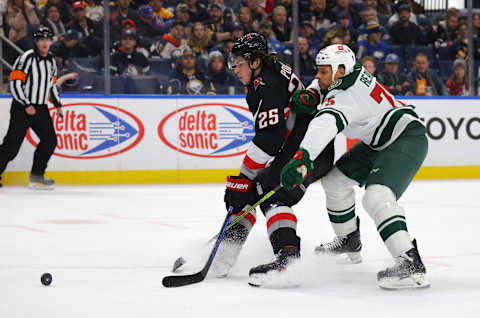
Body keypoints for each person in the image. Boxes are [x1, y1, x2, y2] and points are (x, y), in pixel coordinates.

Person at [280, 44, 430, 290]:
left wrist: (302, 158)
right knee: (334, 182)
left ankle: (410, 263)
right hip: (378, 140)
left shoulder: (347, 97)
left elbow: (325, 124)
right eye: (318, 71)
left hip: (406, 137)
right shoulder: (347, 72)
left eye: (323, 72)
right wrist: (313, 92)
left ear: (339, 71)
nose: (318, 76)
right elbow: (327, 85)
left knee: (377, 196)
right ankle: (349, 239)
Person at [215, 33, 334, 287]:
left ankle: (287, 259)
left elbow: (271, 136)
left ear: (255, 61)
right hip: (299, 145)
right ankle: (224, 254)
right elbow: (275, 135)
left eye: (239, 62)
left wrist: (243, 177)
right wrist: (245, 181)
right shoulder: (266, 75)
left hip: (310, 151)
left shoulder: (267, 84)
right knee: (254, 190)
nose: (234, 68)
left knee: (269, 191)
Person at [0, 26, 62, 189]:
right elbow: (15, 83)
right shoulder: (26, 58)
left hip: (41, 109)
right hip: (22, 108)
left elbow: (52, 85)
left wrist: (57, 105)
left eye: (47, 40)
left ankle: (37, 177)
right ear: (36, 42)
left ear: (51, 42)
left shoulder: (51, 61)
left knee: (50, 141)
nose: (44, 43)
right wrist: (26, 103)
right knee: (11, 147)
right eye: (41, 40)